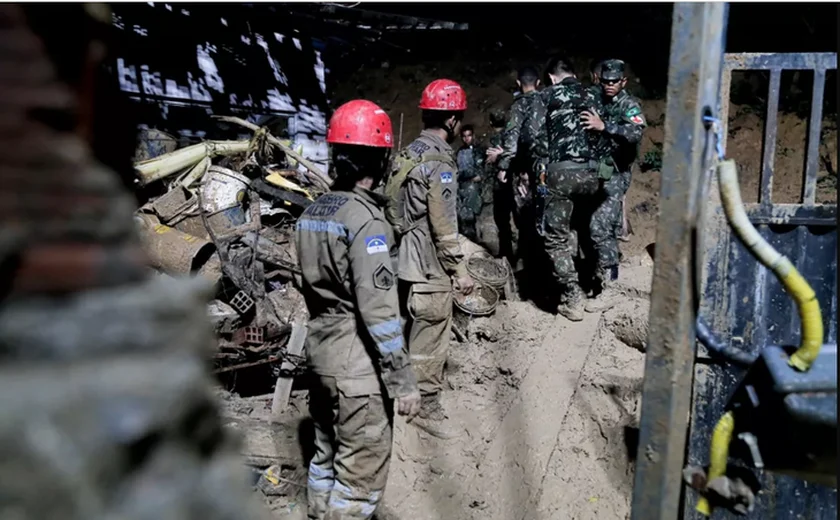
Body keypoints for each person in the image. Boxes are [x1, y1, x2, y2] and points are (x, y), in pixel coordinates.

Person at [296, 100, 421, 520]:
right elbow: (379, 311)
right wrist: (403, 380)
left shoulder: (313, 211)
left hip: (320, 355)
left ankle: (317, 512)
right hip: (357, 368)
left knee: (325, 453)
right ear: (382, 157)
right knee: (359, 475)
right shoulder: (367, 221)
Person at [396, 79, 475, 424]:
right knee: (431, 328)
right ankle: (425, 403)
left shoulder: (407, 152)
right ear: (452, 121)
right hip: (427, 262)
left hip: (400, 257)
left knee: (403, 324)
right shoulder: (440, 161)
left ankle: (395, 388)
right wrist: (459, 270)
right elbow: (443, 223)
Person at [540, 55, 604, 321]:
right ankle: (599, 284)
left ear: (553, 77)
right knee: (589, 227)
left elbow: (534, 138)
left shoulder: (546, 95)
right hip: (595, 175)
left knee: (556, 236)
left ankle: (572, 294)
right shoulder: (595, 93)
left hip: (562, 175)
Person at [581, 59, 646, 313]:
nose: (609, 85)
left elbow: (635, 133)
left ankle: (613, 287)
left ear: (623, 82)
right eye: (605, 81)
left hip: (616, 174)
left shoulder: (628, 105)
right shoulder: (598, 98)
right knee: (590, 225)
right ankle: (602, 273)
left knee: (599, 226)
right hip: (597, 172)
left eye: (614, 81)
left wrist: (605, 126)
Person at [487, 65, 548, 276]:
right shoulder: (548, 100)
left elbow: (512, 143)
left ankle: (532, 270)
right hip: (553, 171)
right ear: (539, 83)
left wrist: (503, 166)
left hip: (531, 173)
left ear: (518, 84)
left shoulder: (519, 106)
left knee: (528, 219)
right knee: (547, 217)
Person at [455, 124, 486, 242]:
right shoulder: (460, 152)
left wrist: (480, 176)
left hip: (474, 187)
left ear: (473, 135)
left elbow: (485, 169)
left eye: (469, 135)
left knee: (471, 216)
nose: (466, 138)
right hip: (462, 186)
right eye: (464, 136)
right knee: (461, 216)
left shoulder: (480, 150)